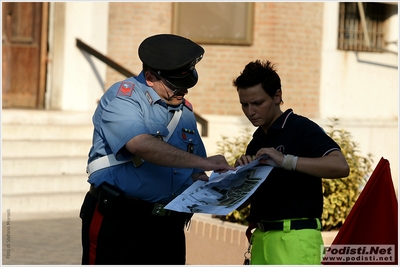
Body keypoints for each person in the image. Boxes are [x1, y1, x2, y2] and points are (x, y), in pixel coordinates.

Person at [79, 34, 235, 265]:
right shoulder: (124, 98)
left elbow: (194, 169)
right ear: (150, 77)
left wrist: (220, 186)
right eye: (175, 85)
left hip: (167, 227)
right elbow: (140, 144)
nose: (183, 92)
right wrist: (205, 163)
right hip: (120, 220)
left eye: (186, 85)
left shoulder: (184, 111)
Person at [232, 60, 350, 265]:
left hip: (297, 238)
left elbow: (340, 166)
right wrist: (238, 176)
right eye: (244, 104)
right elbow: (242, 204)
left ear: (277, 96)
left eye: (257, 103)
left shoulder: (301, 128)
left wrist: (286, 161)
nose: (250, 111)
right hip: (260, 238)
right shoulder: (257, 140)